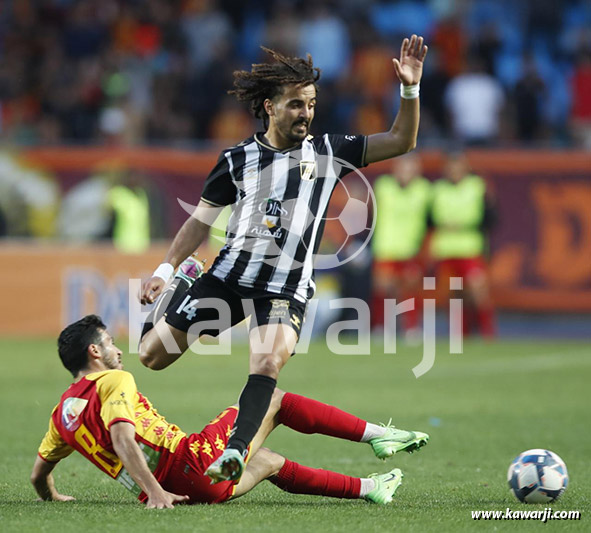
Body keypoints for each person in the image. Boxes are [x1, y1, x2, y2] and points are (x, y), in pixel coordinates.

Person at [139, 35, 429, 483]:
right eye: (296, 104)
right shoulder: (237, 160)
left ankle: (236, 450)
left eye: (311, 104)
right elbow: (199, 223)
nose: (306, 114)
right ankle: (184, 284)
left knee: (268, 362)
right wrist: (166, 270)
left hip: (284, 288)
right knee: (152, 357)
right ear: (270, 107)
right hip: (228, 279)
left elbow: (401, 140)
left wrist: (409, 89)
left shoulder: (330, 152)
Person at [31, 315, 429, 508]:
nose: (119, 351)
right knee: (271, 398)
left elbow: (38, 474)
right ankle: (379, 435)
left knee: (269, 460)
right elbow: (121, 437)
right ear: (94, 352)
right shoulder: (113, 381)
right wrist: (155, 493)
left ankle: (369, 488)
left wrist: (52, 497)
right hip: (189, 466)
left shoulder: (60, 415)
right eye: (110, 343)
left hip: (197, 493)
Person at [430, 152, 496, 337]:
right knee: (453, 295)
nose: (454, 171)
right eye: (451, 167)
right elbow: (429, 221)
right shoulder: (437, 190)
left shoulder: (477, 187)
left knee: (477, 291)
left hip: (470, 249)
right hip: (446, 249)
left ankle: (487, 333)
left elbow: (490, 218)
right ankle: (460, 334)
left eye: (458, 167)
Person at [371, 153, 431, 342]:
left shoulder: (424, 190)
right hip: (386, 246)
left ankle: (411, 328)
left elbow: (430, 222)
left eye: (410, 168)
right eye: (402, 168)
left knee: (409, 290)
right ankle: (380, 328)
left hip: (411, 249)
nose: (406, 172)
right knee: (383, 288)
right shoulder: (383, 187)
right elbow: (370, 217)